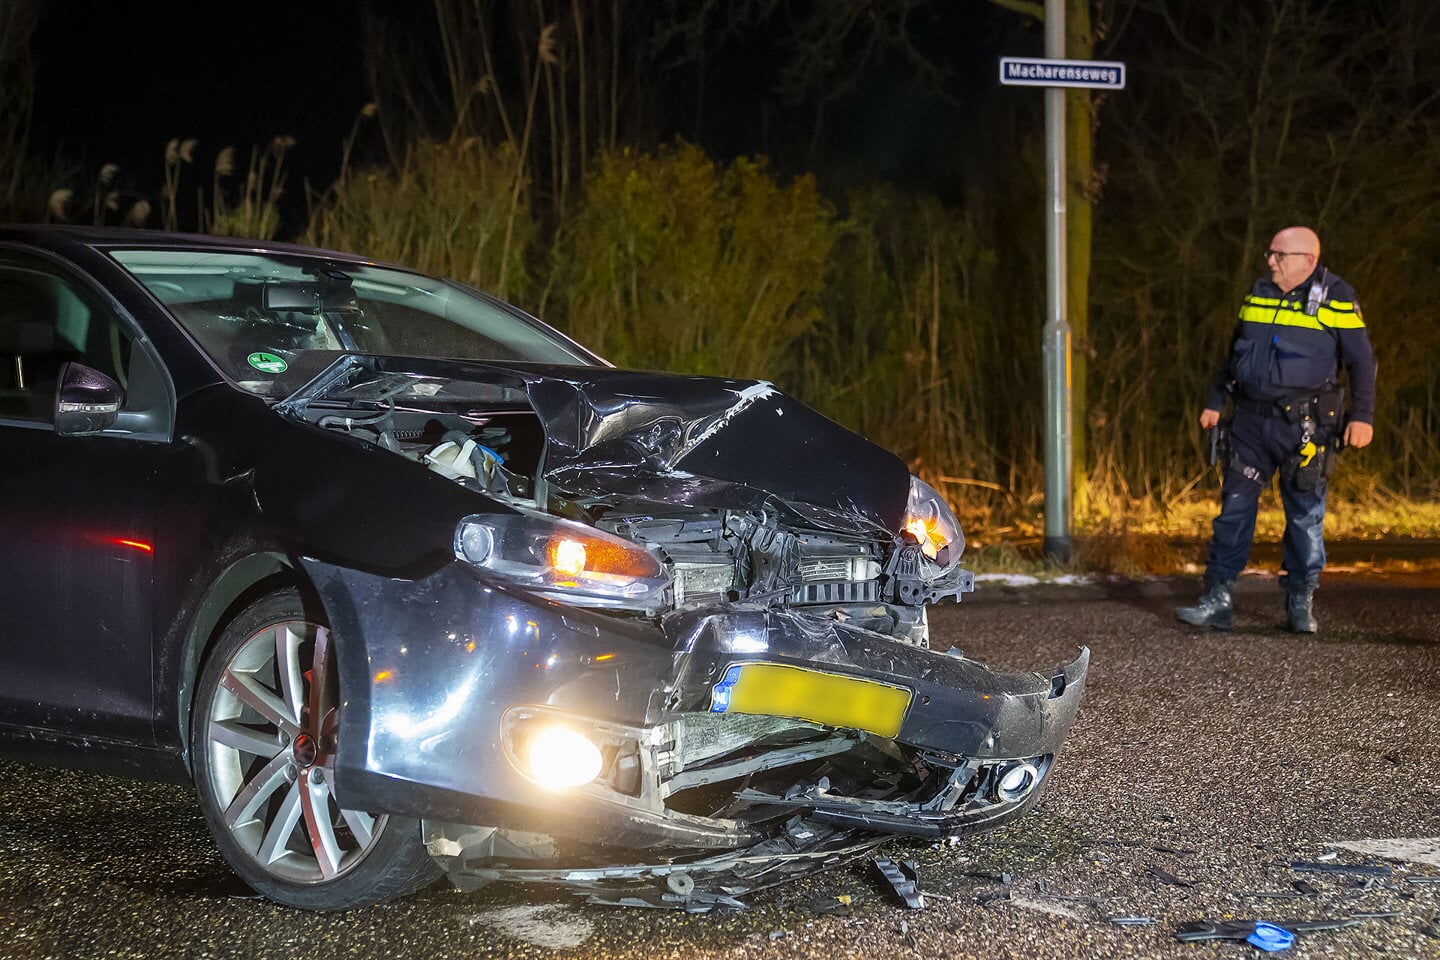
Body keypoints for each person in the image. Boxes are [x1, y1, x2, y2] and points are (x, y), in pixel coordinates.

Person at [1177, 226, 1375, 633]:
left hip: (1305, 428)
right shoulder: (1259, 292)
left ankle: (1300, 598)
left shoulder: (1338, 298)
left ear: (1308, 260)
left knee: (1304, 516)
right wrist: (1216, 401)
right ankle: (1218, 597)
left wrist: (1362, 417)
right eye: (1270, 253)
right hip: (1250, 422)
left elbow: (1361, 363)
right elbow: (1235, 352)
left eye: (1279, 255)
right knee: (1233, 509)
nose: (1270, 260)